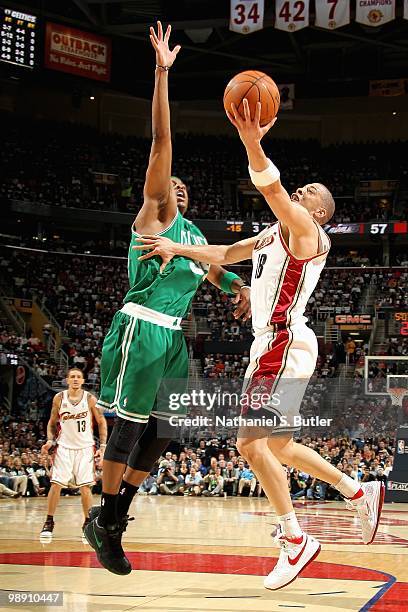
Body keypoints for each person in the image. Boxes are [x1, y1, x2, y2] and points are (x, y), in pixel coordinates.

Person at [135, 98, 385, 591]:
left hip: (282, 341)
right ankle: (359, 492)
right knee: (278, 445)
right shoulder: (276, 232)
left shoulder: (306, 231)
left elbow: (271, 189)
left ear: (317, 211)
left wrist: (253, 141)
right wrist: (176, 246)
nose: (304, 188)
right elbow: (226, 251)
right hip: (277, 343)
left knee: (248, 443)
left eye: (311, 191)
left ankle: (295, 538)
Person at [84, 21, 250, 576]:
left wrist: (240, 290)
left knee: (166, 433)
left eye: (182, 187)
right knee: (129, 428)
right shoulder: (154, 215)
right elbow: (162, 141)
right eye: (169, 183)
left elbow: (218, 269)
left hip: (174, 338)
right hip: (141, 326)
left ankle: (112, 519)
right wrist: (161, 72)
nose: (175, 187)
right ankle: (103, 518)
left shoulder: (193, 237)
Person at [39, 368, 107, 540]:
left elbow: (101, 422)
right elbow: (52, 423)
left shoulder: (90, 399)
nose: (75, 379)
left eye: (78, 377)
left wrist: (104, 445)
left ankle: (87, 523)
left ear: (83, 381)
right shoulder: (59, 398)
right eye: (72, 377)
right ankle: (49, 521)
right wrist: (49, 440)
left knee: (85, 486)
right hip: (63, 447)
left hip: (85, 448)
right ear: (67, 380)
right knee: (56, 484)